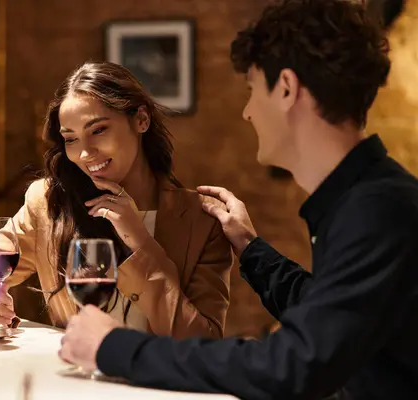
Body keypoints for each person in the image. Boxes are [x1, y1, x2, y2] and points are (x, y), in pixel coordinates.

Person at [58, 1, 418, 398]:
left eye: (251, 89)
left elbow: (292, 365)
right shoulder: (364, 199)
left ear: (285, 87)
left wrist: (115, 348)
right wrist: (251, 250)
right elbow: (329, 313)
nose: (247, 112)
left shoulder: (377, 210)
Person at [0, 61, 234, 339]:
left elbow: (204, 343)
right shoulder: (49, 204)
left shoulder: (202, 220)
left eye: (99, 130)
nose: (84, 153)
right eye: (70, 138)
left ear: (141, 119)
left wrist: (140, 242)